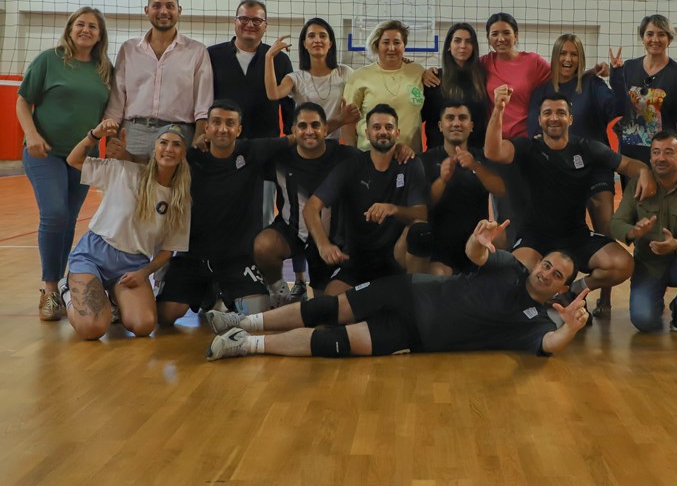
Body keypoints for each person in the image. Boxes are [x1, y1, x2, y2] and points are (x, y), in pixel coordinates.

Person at [203, 219, 592, 360]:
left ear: (561, 288)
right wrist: (478, 239)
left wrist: (571, 329)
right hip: (409, 291)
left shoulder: (537, 323)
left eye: (557, 275)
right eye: (547, 265)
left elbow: (550, 346)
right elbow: (476, 255)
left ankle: (246, 344)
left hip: (416, 334)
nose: (547, 273)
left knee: (334, 342)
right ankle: (244, 321)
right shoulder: (510, 266)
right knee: (324, 309)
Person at [486, 88, 655, 304]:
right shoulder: (527, 147)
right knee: (517, 273)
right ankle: (544, 303)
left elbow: (628, 164)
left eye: (560, 112)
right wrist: (498, 109)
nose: (554, 118)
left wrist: (644, 171)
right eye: (547, 113)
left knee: (622, 264)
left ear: (570, 119)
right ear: (539, 119)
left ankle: (574, 290)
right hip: (534, 236)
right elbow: (493, 152)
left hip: (575, 236)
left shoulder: (587, 148)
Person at [155, 100, 297, 324]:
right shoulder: (189, 159)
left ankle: (223, 292)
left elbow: (297, 137)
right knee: (165, 315)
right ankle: (208, 294)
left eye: (230, 123)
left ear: (239, 129)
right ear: (207, 128)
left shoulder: (252, 151)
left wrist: (338, 121)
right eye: (216, 122)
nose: (223, 129)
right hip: (193, 258)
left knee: (255, 314)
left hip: (237, 260)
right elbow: (153, 165)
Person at [16, 7, 112, 321]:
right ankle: (49, 289)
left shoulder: (104, 69)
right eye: (80, 24)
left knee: (68, 220)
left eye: (93, 27)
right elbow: (22, 100)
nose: (86, 30)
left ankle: (58, 284)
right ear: (70, 28)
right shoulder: (49, 60)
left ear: (100, 35)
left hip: (83, 157)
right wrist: (31, 135)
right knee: (54, 214)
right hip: (45, 153)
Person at [60, 121, 191, 340]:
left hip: (132, 264)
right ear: (154, 148)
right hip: (94, 254)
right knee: (93, 328)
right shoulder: (125, 171)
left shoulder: (180, 200)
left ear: (184, 153)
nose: (169, 149)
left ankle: (114, 297)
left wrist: (144, 273)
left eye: (176, 144)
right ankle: (67, 291)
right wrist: (95, 135)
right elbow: (74, 160)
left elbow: (168, 250)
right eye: (163, 143)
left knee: (144, 325)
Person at [304, 104, 429, 294]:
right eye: (376, 127)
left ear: (397, 133)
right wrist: (324, 245)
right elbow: (311, 207)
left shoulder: (410, 164)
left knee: (420, 230)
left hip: (395, 258)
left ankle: (414, 297)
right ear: (367, 133)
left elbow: (421, 214)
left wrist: (393, 209)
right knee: (330, 304)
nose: (383, 132)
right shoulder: (352, 165)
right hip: (357, 260)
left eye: (388, 127)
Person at [255, 104, 361, 306]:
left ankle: (321, 293)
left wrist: (401, 149)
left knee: (326, 306)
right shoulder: (279, 157)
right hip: (291, 231)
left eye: (315, 125)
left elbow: (379, 160)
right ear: (293, 131)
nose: (309, 131)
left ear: (325, 129)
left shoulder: (346, 156)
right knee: (264, 245)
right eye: (302, 126)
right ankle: (279, 292)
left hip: (331, 240)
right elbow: (244, 154)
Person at [610, 131, 677, 333]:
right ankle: (655, 303)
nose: (660, 158)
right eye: (656, 152)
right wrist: (633, 232)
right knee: (644, 322)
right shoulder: (636, 185)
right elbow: (616, 223)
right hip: (649, 266)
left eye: (668, 152)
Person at [527, 33, 620, 245]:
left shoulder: (592, 84)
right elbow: (534, 132)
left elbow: (617, 108)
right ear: (554, 57)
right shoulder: (542, 91)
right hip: (559, 171)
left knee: (606, 230)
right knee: (557, 233)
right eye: (563, 53)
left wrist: (616, 75)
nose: (568, 59)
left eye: (574, 54)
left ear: (581, 58)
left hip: (595, 169)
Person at [104, 0, 212, 157]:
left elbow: (203, 103)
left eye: (170, 6)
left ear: (179, 11)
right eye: (156, 6)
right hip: (133, 133)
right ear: (147, 10)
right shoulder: (129, 49)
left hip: (178, 133)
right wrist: (111, 139)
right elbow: (117, 100)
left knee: (174, 177)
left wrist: (198, 137)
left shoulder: (197, 51)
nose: (163, 11)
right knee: (130, 176)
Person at [420, 102, 507, 274]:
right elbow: (423, 205)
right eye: (450, 118)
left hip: (476, 241)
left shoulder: (482, 156)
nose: (456, 123)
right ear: (440, 126)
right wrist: (442, 180)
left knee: (500, 235)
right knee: (438, 275)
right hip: (440, 246)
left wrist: (475, 166)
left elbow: (500, 190)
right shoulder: (425, 160)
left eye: (462, 118)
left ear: (471, 126)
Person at [610, 14, 677, 166]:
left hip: (663, 159)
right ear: (643, 38)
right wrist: (613, 73)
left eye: (661, 34)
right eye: (649, 34)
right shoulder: (628, 68)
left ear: (669, 39)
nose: (655, 39)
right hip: (629, 157)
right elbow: (618, 105)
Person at [209, 0, 294, 140]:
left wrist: (290, 136)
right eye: (243, 19)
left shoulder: (279, 59)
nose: (249, 24)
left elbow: (288, 103)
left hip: (265, 143)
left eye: (257, 20)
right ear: (234, 21)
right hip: (222, 141)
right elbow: (202, 99)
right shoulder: (212, 55)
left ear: (265, 25)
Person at [265, 17, 358, 145]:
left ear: (330, 43)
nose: (317, 40)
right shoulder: (295, 78)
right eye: (311, 36)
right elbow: (273, 94)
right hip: (306, 142)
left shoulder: (345, 72)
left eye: (322, 36)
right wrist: (269, 57)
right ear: (304, 44)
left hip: (334, 144)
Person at [343, 20, 426, 152]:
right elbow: (348, 121)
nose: (391, 48)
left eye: (397, 42)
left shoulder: (417, 72)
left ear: (404, 46)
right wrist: (350, 154)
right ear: (377, 45)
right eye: (386, 42)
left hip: (410, 156)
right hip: (369, 155)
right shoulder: (359, 77)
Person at [480, 12, 551, 141]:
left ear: (516, 35)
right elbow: (458, 68)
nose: (501, 39)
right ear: (488, 38)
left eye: (506, 33)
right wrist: (436, 74)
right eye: (495, 34)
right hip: (494, 139)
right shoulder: (484, 63)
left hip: (525, 139)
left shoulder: (533, 62)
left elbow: (563, 76)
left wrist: (588, 75)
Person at [420, 23, 491, 150]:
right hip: (439, 153)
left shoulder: (483, 78)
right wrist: (419, 73)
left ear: (474, 46)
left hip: (475, 152)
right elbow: (418, 116)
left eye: (468, 41)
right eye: (457, 41)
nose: (463, 46)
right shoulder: (434, 79)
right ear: (449, 45)